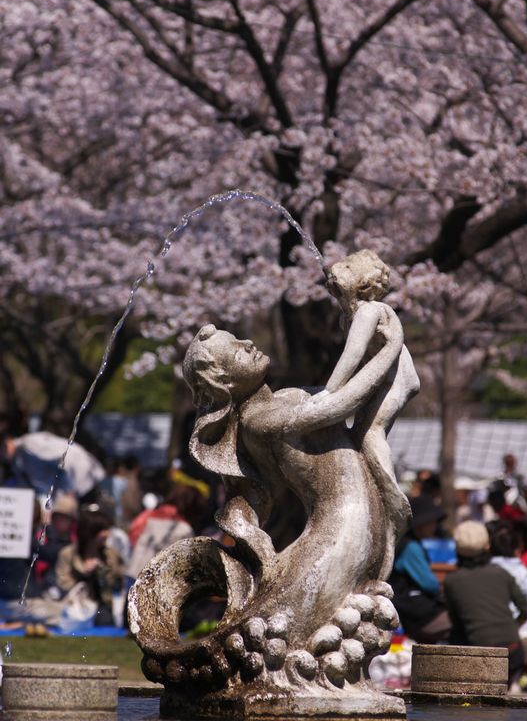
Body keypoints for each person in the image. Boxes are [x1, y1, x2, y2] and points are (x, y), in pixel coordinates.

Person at [181, 314, 406, 638]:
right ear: (223, 381)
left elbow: (354, 391)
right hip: (337, 535)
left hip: (362, 522)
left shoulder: (285, 396)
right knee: (293, 640)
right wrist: (391, 346)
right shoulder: (260, 421)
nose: (249, 344)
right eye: (238, 351)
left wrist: (365, 331)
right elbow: (345, 402)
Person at [325, 249, 420, 574]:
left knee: (370, 432)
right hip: (383, 375)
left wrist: (328, 396)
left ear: (363, 281)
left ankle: (393, 502)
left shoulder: (370, 311)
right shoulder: (348, 316)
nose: (337, 272)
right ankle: (374, 486)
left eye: (348, 268)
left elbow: (351, 359)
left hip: (398, 378)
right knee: (358, 433)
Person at [444, 520, 527, 686]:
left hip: (480, 656)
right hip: (513, 652)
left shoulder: (452, 581)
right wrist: (514, 626)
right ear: (487, 546)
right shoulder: (501, 573)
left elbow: (456, 622)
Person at [389, 494, 451, 643]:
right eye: (431, 523)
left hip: (409, 613)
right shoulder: (411, 548)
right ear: (420, 524)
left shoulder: (404, 544)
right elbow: (430, 584)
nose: (434, 526)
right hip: (419, 615)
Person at [55, 507, 124, 626]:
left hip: (104, 608)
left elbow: (119, 583)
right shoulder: (68, 554)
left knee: (104, 618)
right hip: (76, 607)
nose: (107, 534)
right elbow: (63, 583)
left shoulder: (111, 555)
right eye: (102, 530)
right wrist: (84, 574)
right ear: (89, 531)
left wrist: (103, 573)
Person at [35, 493, 78, 592]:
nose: (60, 521)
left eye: (65, 518)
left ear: (72, 521)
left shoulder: (74, 541)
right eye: (58, 517)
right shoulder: (43, 536)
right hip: (43, 587)